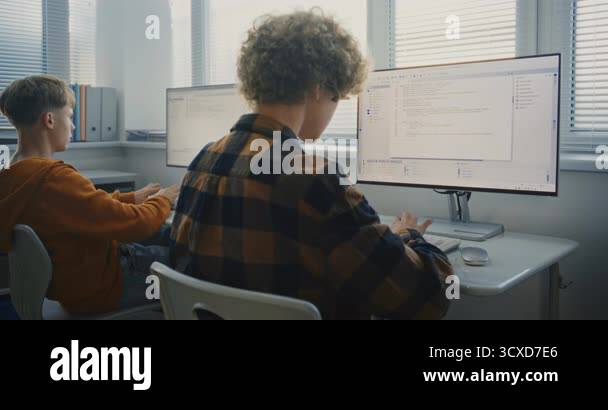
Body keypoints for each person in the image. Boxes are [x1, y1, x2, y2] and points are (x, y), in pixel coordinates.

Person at [171, 10, 453, 320]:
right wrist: (410, 236)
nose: (334, 109)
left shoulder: (203, 161)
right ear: (317, 87)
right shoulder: (316, 180)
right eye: (337, 96)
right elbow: (427, 299)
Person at [0, 75, 179, 315]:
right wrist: (165, 198)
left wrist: (132, 198)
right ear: (50, 120)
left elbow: (81, 209)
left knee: (169, 235)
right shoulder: (54, 178)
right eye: (70, 117)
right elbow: (136, 225)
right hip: (106, 287)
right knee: (188, 260)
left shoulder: (14, 174)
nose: (73, 126)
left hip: (75, 287)